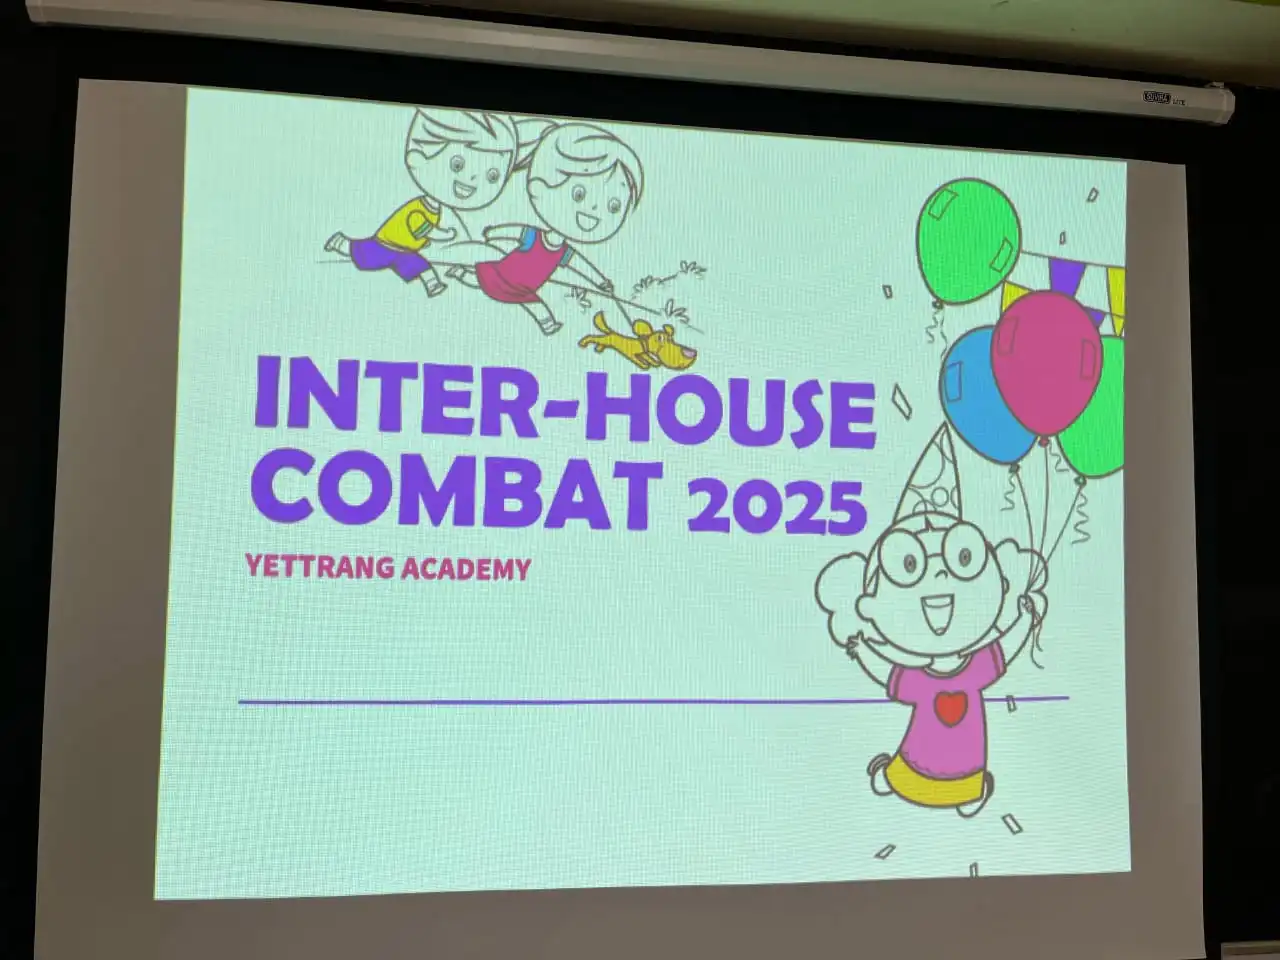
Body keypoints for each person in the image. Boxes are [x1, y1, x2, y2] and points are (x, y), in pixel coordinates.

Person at [815, 424, 1048, 818]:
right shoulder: (922, 677)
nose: (939, 576)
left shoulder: (975, 665)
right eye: (909, 565)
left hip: (968, 764)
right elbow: (886, 671)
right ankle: (904, 781)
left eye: (962, 559)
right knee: (911, 768)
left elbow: (1007, 647)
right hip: (916, 761)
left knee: (958, 773)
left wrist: (1025, 618)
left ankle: (965, 792)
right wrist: (860, 648)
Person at [325, 108, 543, 298]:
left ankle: (433, 285)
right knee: (362, 255)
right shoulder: (419, 207)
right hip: (386, 244)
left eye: (493, 176)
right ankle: (340, 243)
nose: (472, 180)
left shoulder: (435, 209)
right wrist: (443, 235)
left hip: (405, 249)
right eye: (457, 165)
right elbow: (422, 227)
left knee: (420, 266)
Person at [456, 122, 643, 336]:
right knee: (482, 280)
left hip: (524, 289)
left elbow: (582, 266)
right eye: (579, 194)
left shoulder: (563, 252)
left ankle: (548, 325)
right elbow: (513, 231)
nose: (593, 209)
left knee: (536, 305)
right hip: (504, 274)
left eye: (614, 207)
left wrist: (601, 282)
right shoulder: (534, 236)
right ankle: (461, 273)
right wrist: (494, 233)